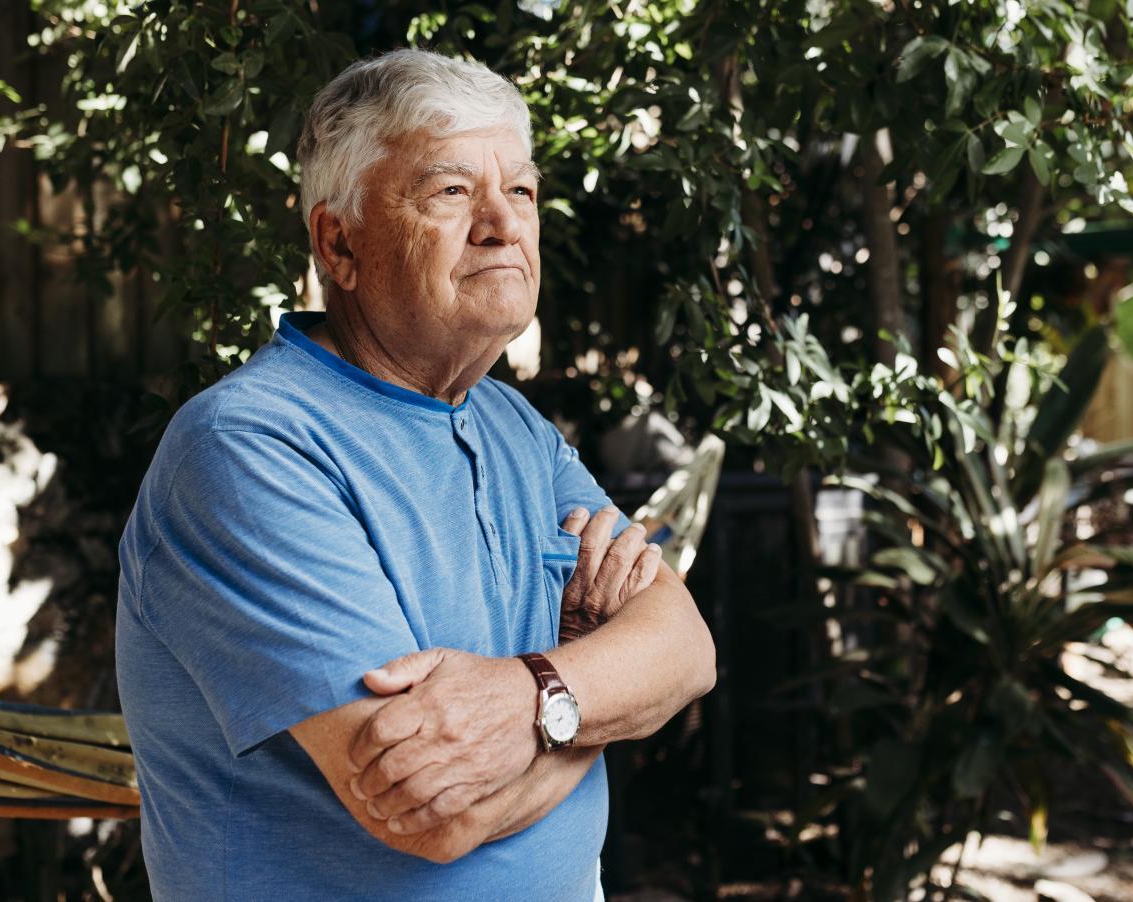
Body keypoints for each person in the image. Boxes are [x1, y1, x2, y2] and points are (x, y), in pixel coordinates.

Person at [114, 48, 716, 900]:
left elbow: (687, 650)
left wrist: (533, 700)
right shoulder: (248, 448)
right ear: (340, 241)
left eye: (521, 191)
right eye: (451, 191)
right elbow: (430, 813)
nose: (503, 223)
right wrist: (594, 705)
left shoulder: (513, 425)